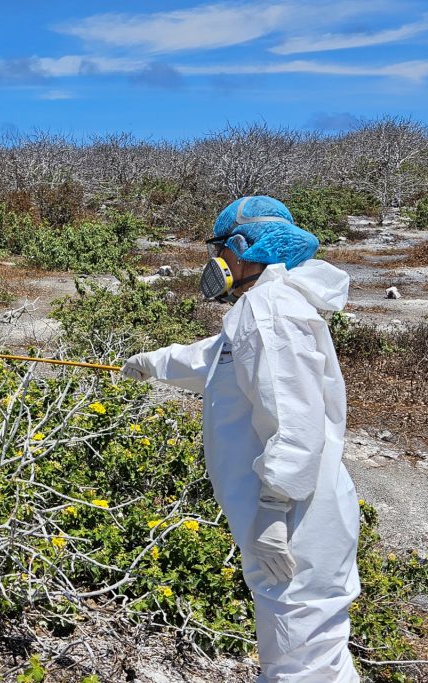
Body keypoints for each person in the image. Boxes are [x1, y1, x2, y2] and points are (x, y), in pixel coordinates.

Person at [122, 195, 361, 682]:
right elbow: (219, 358)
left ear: (238, 246)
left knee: (300, 661)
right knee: (317, 654)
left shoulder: (268, 309)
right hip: (301, 509)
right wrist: (153, 362)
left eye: (217, 249)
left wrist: (274, 509)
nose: (213, 263)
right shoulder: (269, 305)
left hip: (293, 519)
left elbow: (295, 418)